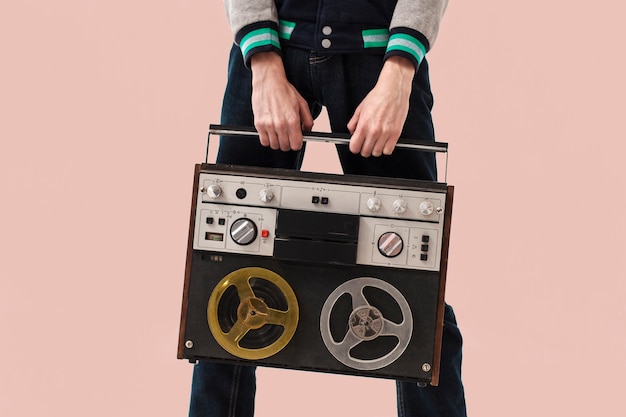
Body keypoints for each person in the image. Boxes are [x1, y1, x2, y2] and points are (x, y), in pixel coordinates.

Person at [189, 1, 467, 416]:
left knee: (418, 278)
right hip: (272, 53)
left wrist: (400, 72)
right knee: (224, 274)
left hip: (380, 59)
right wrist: (262, 64)